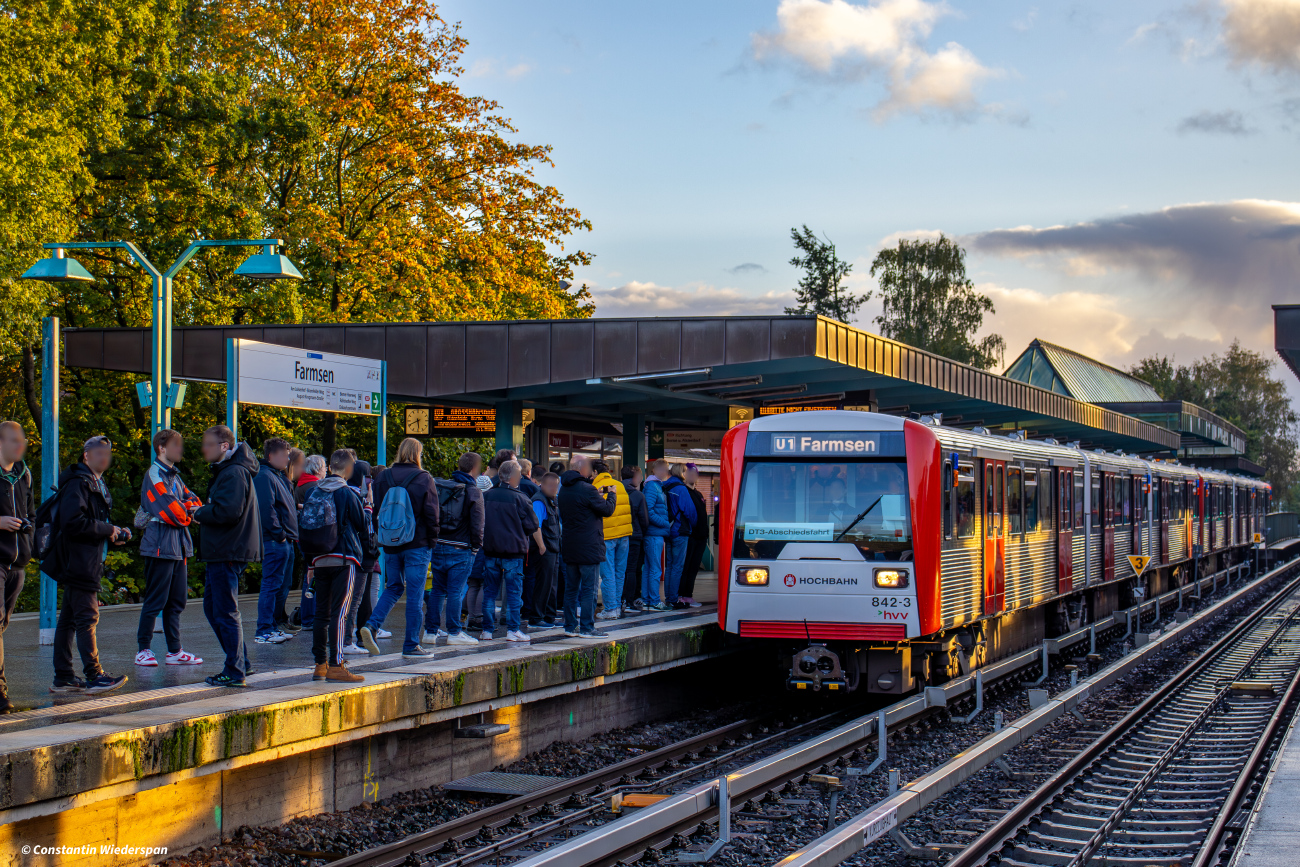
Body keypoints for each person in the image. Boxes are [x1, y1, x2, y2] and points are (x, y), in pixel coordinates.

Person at [50, 436, 131, 695]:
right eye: (98, 452)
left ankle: (63, 677)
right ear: (86, 455)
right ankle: (94, 675)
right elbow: (72, 522)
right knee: (87, 617)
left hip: (86, 558)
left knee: (69, 620)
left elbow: (90, 523)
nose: (104, 457)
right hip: (80, 561)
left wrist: (113, 534)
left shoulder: (95, 482)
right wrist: (107, 529)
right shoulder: (79, 483)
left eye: (107, 452)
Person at [193, 426, 262, 688]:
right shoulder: (232, 470)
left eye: (208, 444)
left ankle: (235, 671)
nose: (204, 449)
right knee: (214, 608)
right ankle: (240, 663)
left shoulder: (233, 472)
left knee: (224, 610)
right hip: (225, 549)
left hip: (227, 549)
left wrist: (199, 513)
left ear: (224, 446)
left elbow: (229, 511)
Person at [360, 438, 439, 659]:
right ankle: (411, 645)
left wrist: (383, 535)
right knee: (415, 594)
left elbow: (376, 510)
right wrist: (432, 541)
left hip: (392, 544)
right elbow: (432, 514)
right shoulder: (424, 478)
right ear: (417, 454)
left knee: (393, 587)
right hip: (418, 544)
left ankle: (372, 625)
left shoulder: (383, 477)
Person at [135, 428, 204, 667]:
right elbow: (171, 511)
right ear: (161, 448)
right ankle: (143, 650)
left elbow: (196, 502)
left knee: (176, 602)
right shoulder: (154, 474)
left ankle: (175, 651)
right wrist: (186, 511)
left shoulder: (174, 476)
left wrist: (184, 508)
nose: (180, 449)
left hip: (177, 546)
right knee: (155, 601)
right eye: (175, 445)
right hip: (160, 545)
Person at [300, 450, 369, 683]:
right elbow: (361, 524)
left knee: (321, 613)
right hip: (343, 558)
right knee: (339, 613)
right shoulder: (347, 493)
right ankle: (337, 665)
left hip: (319, 558)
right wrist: (368, 507)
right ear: (349, 469)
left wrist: (310, 563)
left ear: (330, 468)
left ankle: (320, 664)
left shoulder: (313, 491)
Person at [480, 460, 543, 642]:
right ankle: (513, 630)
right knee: (514, 592)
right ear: (515, 477)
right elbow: (532, 525)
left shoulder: (487, 496)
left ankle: (487, 630)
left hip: (491, 551)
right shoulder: (520, 498)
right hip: (513, 552)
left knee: (490, 592)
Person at [427, 452, 484, 646]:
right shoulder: (473, 491)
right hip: (461, 548)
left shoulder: (443, 487)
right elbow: (478, 523)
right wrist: (476, 547)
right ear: (475, 468)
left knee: (437, 589)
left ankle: (430, 631)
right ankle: (454, 631)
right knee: (455, 591)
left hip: (439, 544)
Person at [557, 455, 616, 639]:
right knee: (589, 589)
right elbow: (607, 510)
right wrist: (611, 495)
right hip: (589, 547)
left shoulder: (564, 489)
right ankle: (587, 628)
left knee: (571, 589)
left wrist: (594, 496)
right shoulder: (587, 489)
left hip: (570, 545)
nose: (590, 471)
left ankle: (570, 626)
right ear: (582, 468)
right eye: (589, 467)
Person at [0, 422, 33, 711]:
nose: (20, 444)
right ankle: (0, 692)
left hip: (18, 562)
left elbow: (31, 513)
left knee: (2, 626)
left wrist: (28, 530)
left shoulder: (24, 474)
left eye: (22, 439)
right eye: (14, 440)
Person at [253, 438, 298, 645]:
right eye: (285, 455)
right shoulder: (265, 476)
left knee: (279, 585)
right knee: (271, 584)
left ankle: (271, 627)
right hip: (275, 540)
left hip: (282, 540)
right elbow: (266, 509)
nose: (288, 459)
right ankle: (264, 629)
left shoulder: (276, 476)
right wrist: (279, 533)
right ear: (272, 455)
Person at [341, 459, 378, 654]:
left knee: (345, 598)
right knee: (355, 598)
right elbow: (364, 524)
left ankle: (341, 638)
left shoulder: (342, 492)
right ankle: (347, 640)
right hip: (361, 552)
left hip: (345, 552)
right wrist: (369, 504)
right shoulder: (359, 497)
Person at [591, 460, 631, 620]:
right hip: (624, 534)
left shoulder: (595, 487)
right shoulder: (619, 485)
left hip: (606, 536)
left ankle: (610, 608)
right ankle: (617, 607)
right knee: (619, 573)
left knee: (607, 573)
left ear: (595, 472)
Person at [292, 454, 325, 632]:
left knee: (308, 574)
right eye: (324, 467)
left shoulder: (300, 485)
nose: (326, 470)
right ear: (318, 469)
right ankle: (311, 617)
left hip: (301, 535)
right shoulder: (315, 486)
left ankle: (307, 617)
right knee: (313, 575)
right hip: (314, 536)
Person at [526, 471, 562, 628]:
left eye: (556, 486)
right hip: (545, 549)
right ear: (543, 485)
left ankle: (549, 616)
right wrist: (541, 546)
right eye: (551, 486)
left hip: (552, 548)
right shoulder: (539, 501)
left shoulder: (551, 499)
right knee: (543, 584)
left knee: (551, 584)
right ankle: (536, 618)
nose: (554, 489)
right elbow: (536, 526)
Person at [662, 463, 698, 608]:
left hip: (668, 529)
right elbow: (690, 511)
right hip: (680, 530)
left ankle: (669, 598)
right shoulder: (681, 489)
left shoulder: (665, 486)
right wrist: (693, 525)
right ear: (682, 473)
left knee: (669, 566)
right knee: (677, 567)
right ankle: (673, 599)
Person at [642, 459, 672, 611]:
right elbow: (649, 511)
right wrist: (665, 523)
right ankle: (654, 601)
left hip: (654, 533)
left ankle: (647, 600)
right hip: (654, 534)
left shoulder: (656, 485)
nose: (665, 472)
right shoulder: (652, 486)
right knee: (655, 569)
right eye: (662, 469)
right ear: (654, 470)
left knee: (649, 568)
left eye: (666, 469)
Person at [679, 464, 709, 608]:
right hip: (690, 536)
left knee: (694, 568)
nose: (693, 476)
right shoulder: (683, 492)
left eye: (695, 473)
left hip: (701, 537)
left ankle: (688, 595)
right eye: (690, 473)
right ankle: (681, 595)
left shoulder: (698, 494)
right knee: (685, 566)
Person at [621, 465, 649, 612]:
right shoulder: (638, 496)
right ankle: (629, 601)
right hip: (634, 536)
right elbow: (644, 519)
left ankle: (619, 600)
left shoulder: (616, 492)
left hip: (619, 535)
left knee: (619, 569)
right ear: (635, 478)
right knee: (632, 569)